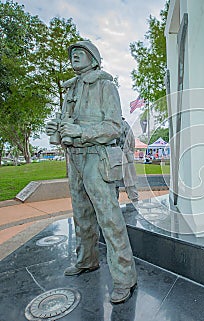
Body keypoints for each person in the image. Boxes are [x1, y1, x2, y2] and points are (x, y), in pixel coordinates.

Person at [45, 40, 137, 303]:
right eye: (72, 54)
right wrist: (59, 131)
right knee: (81, 215)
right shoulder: (70, 90)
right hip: (73, 158)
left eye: (80, 53)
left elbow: (114, 127)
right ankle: (87, 261)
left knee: (110, 219)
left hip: (97, 159)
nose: (74, 56)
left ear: (94, 58)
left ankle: (124, 279)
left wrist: (82, 132)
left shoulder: (106, 86)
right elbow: (68, 126)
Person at [115, 117, 139, 207]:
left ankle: (133, 204)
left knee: (116, 184)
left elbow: (131, 141)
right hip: (123, 156)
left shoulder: (114, 124)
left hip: (118, 157)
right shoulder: (125, 124)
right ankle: (134, 203)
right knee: (129, 184)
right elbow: (132, 142)